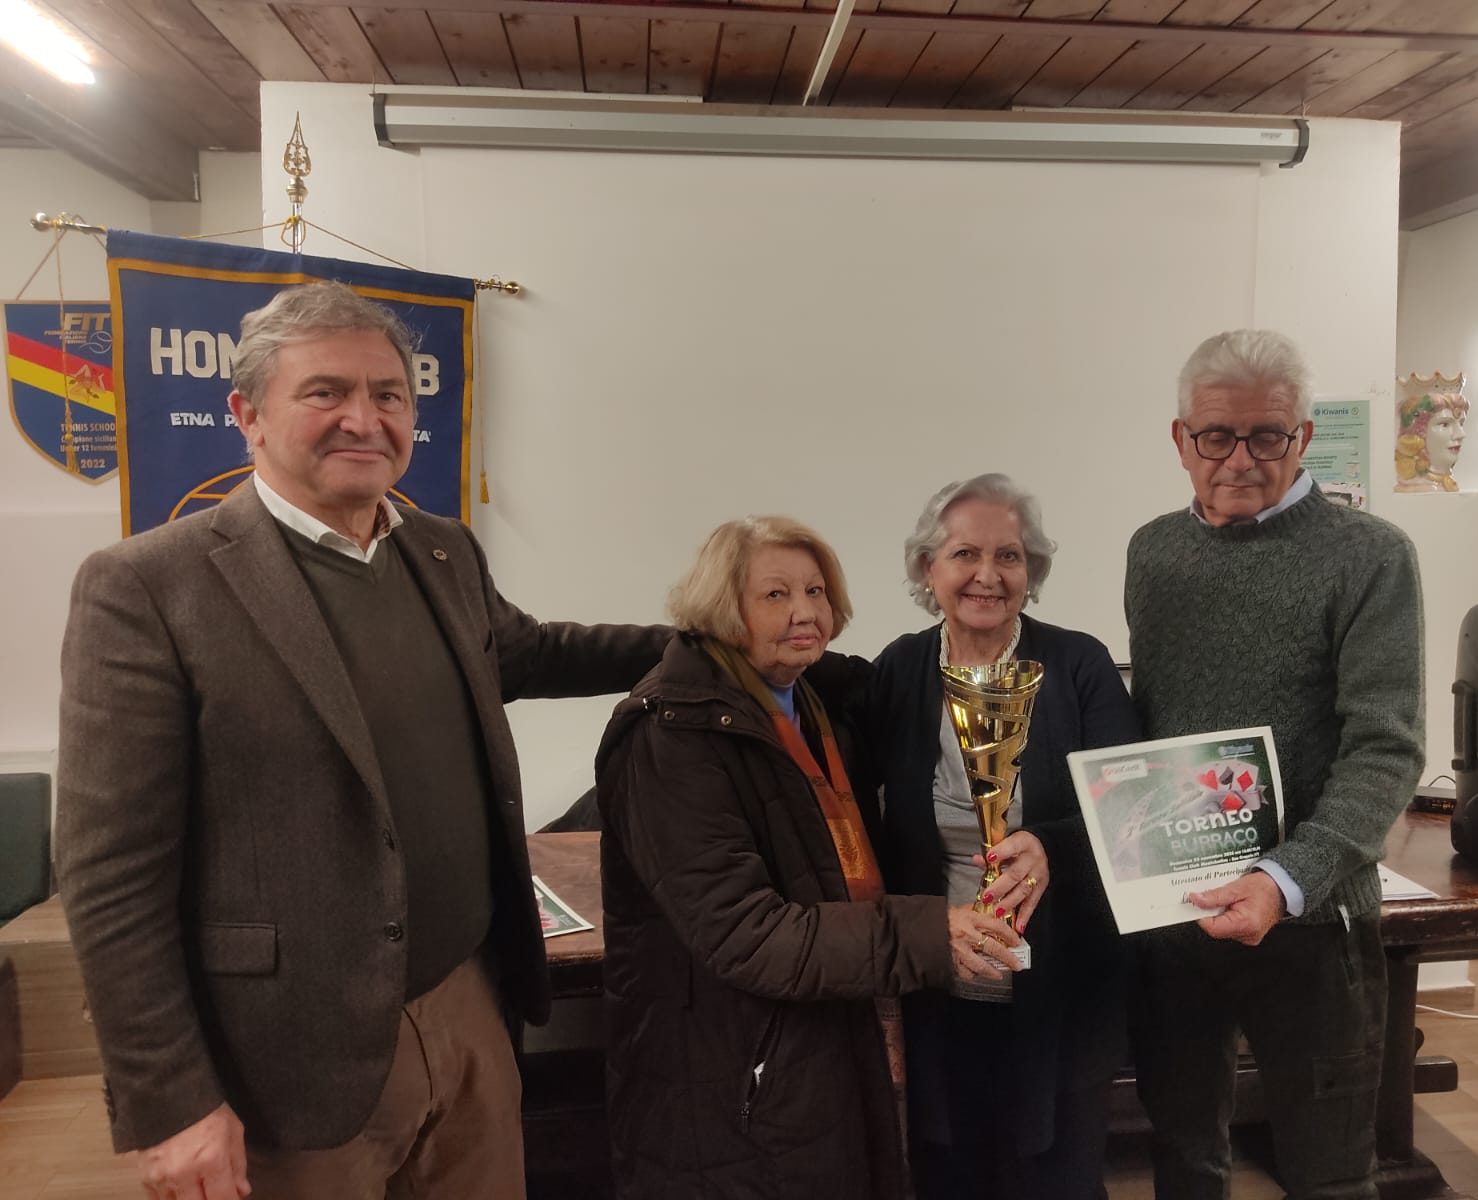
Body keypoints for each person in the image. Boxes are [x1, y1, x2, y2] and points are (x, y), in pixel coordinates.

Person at [53, 281, 669, 1200]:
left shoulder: (440, 549)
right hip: (288, 1056)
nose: (364, 418)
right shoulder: (148, 587)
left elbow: (529, 651)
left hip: (469, 1001)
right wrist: (170, 1100)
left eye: (388, 394)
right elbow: (110, 876)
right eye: (325, 392)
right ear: (247, 416)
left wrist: (708, 642)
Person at [596, 516, 1020, 1199]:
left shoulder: (816, 703)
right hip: (730, 1077)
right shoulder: (671, 735)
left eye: (816, 591)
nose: (805, 612)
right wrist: (927, 932)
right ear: (722, 608)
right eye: (775, 595)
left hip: (822, 1044)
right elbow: (747, 933)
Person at [1124, 330, 1425, 1199]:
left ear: (1303, 437)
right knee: (1184, 1154)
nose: (1240, 459)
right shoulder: (1153, 551)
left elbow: (1386, 747)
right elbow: (1155, 724)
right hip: (1177, 913)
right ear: (1181, 439)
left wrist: (1285, 880)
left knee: (1331, 1172)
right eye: (1217, 436)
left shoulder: (1370, 555)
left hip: (1313, 920)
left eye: (1268, 436)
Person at [870, 473, 1143, 1200]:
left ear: (1032, 571)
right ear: (928, 568)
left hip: (1063, 983)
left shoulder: (1079, 664)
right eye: (965, 554)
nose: (987, 575)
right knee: (949, 1171)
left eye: (1009, 556)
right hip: (940, 983)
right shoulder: (899, 669)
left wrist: (1053, 846)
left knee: (1057, 1178)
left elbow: (1132, 806)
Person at [1395, 377, 1469, 492]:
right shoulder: (1418, 490)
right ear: (1417, 434)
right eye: (1445, 424)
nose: (1461, 434)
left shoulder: (1447, 485)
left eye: (1461, 423)